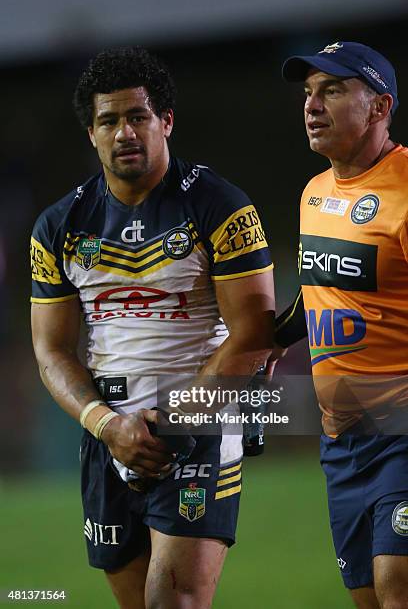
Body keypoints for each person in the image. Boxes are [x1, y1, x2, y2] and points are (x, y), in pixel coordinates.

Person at [30, 46, 275, 609]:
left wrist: (175, 422)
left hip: (198, 426)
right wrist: (107, 426)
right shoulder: (59, 225)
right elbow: (51, 349)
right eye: (109, 120)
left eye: (138, 116)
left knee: (175, 602)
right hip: (107, 435)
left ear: (165, 121)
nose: (124, 133)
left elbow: (252, 335)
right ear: (90, 133)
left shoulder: (219, 205)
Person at [275, 41, 408, 608]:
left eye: (332, 90)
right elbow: (318, 295)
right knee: (369, 598)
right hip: (342, 443)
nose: (312, 105)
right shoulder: (313, 194)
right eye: (308, 93)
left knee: (395, 583)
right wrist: (266, 346)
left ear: (379, 107)